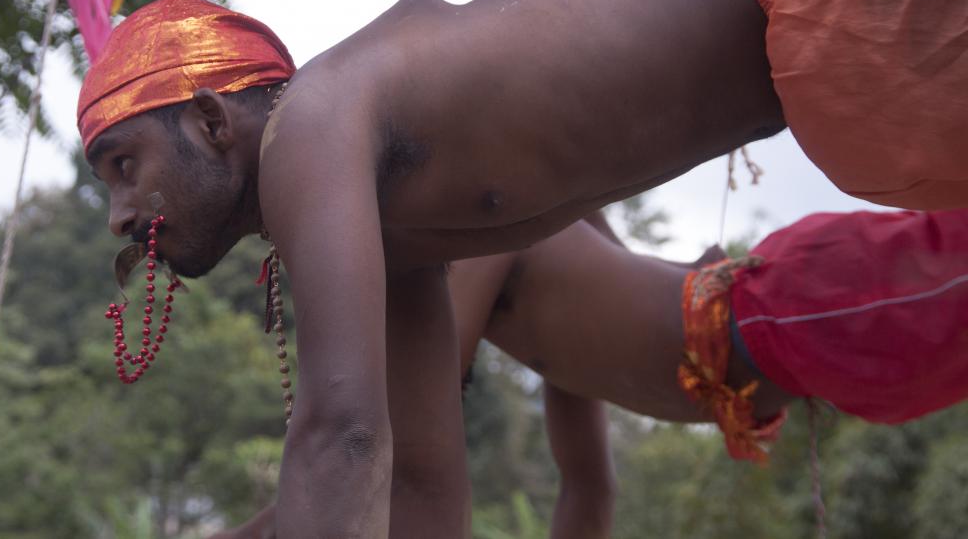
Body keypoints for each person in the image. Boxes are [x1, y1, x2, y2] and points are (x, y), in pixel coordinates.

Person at [80, 0, 967, 537]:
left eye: (125, 164)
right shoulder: (393, 229)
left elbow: (339, 438)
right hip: (842, 53)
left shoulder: (310, 129)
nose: (120, 215)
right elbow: (419, 490)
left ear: (208, 120)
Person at [214, 206, 968, 538]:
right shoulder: (560, 342)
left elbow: (394, 443)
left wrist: (261, 528)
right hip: (808, 352)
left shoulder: (481, 242)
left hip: (785, 307)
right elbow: (589, 487)